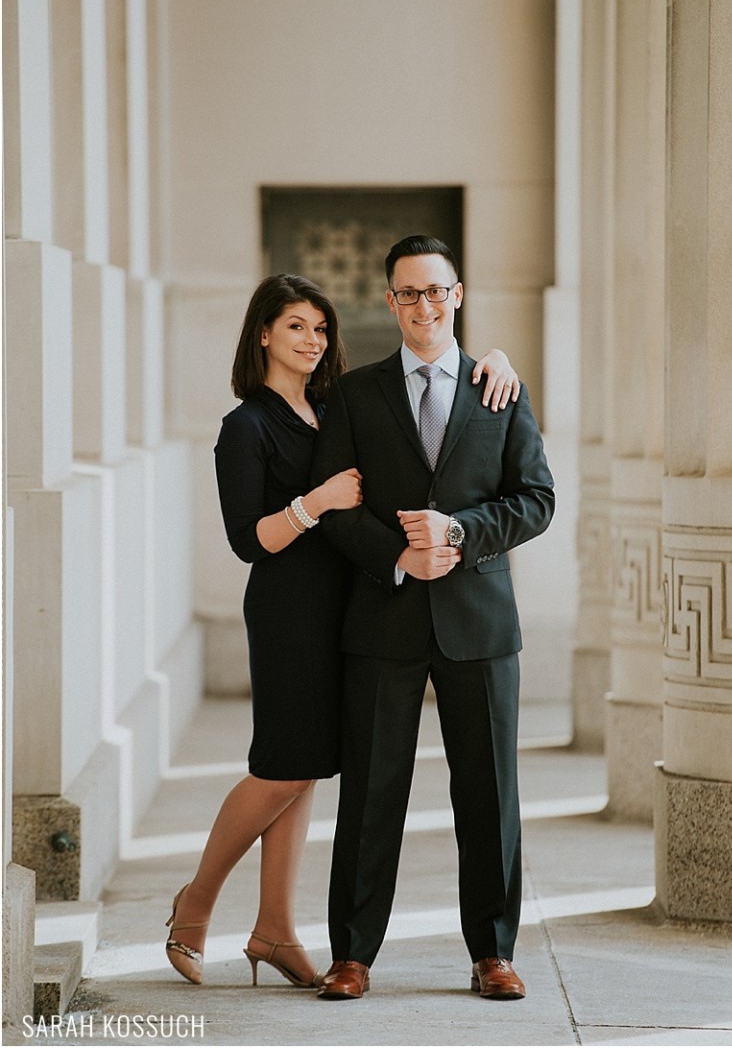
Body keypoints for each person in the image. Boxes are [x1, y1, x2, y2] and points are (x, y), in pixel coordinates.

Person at [164, 271, 520, 988]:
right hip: (291, 611)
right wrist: (316, 501)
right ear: (262, 332)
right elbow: (248, 540)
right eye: (295, 325)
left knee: (313, 770)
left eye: (320, 328)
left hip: (351, 608)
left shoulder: (333, 403)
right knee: (284, 766)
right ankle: (194, 903)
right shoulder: (247, 426)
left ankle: (273, 928)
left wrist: (498, 361)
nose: (312, 339)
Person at [311, 236, 555, 1002]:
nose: (424, 305)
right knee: (372, 793)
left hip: (478, 621)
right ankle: (351, 954)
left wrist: (458, 534)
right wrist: (397, 557)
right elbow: (334, 509)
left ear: (459, 294)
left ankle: (493, 951)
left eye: (436, 291)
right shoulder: (354, 395)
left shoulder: (500, 389)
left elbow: (536, 500)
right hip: (383, 618)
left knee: (488, 793)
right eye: (408, 293)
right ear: (390, 302)